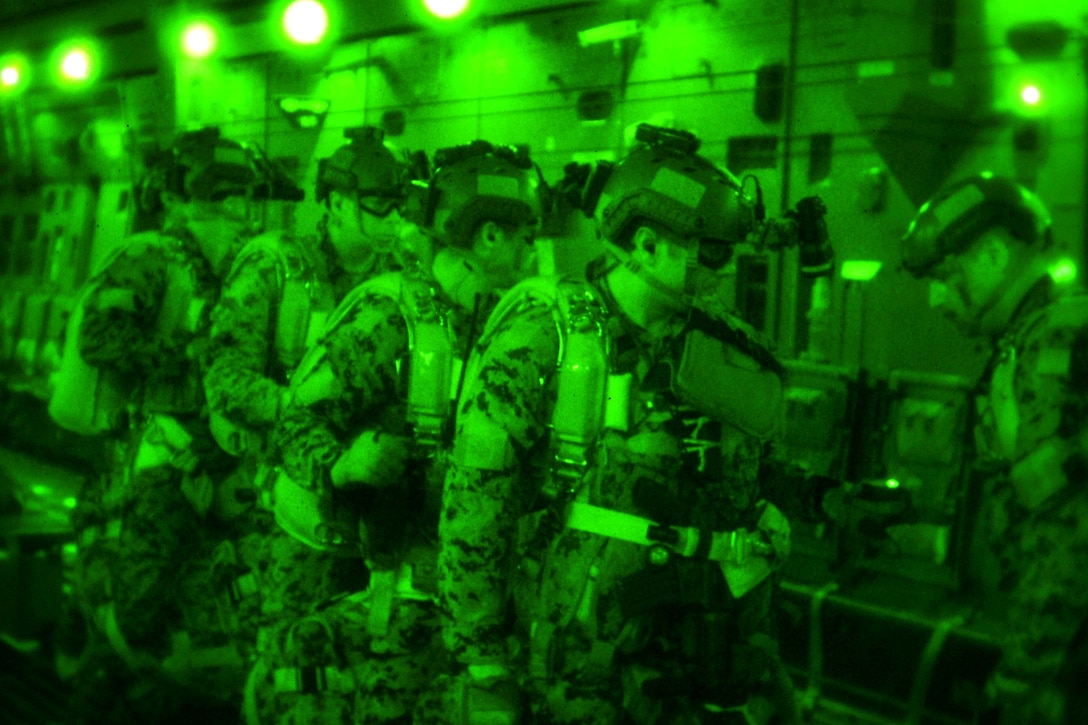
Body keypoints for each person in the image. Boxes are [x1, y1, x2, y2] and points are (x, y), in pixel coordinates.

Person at [435, 123, 876, 725]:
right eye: (709, 251)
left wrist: (820, 497)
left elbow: (743, 470)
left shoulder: (720, 344)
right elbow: (476, 501)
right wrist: (481, 658)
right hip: (591, 653)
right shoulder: (546, 337)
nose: (722, 269)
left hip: (709, 645)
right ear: (644, 245)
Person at [243, 139, 545, 725]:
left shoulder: (511, 329)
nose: (533, 254)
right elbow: (295, 418)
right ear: (487, 237)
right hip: (379, 583)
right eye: (524, 237)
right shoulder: (390, 318)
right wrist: (340, 463)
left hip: (464, 597)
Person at [50, 126, 295, 721]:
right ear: (185, 197)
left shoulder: (245, 266)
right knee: (137, 616)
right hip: (161, 459)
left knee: (221, 612)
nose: (237, 213)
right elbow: (100, 336)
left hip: (225, 463)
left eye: (242, 199)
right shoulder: (150, 258)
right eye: (222, 199)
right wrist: (189, 356)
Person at [197, 125, 413, 718]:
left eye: (400, 206)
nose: (394, 219)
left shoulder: (396, 285)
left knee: (353, 668)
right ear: (338, 203)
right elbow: (226, 378)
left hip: (365, 503)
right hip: (286, 507)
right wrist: (305, 417)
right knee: (289, 663)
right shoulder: (280, 269)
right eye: (378, 207)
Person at [901, 173, 1088, 725]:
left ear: (990, 254)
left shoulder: (1053, 345)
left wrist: (1022, 680)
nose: (935, 298)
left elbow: (1068, 539)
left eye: (943, 276)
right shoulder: (1036, 336)